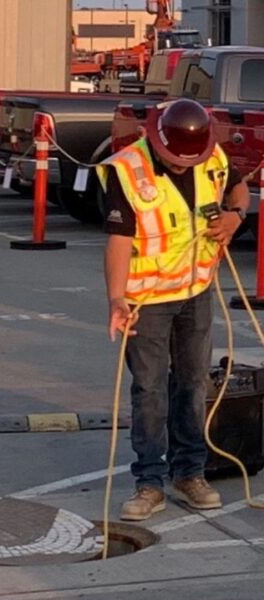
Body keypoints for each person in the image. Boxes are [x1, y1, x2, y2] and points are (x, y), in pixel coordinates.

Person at [97, 98, 249, 521]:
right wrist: (116, 299)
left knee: (193, 383)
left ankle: (190, 473)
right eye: (174, 160)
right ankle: (149, 482)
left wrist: (235, 216)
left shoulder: (211, 157)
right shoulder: (128, 172)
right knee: (149, 390)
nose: (183, 166)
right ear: (157, 141)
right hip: (147, 301)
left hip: (196, 290)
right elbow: (119, 242)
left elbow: (238, 188)